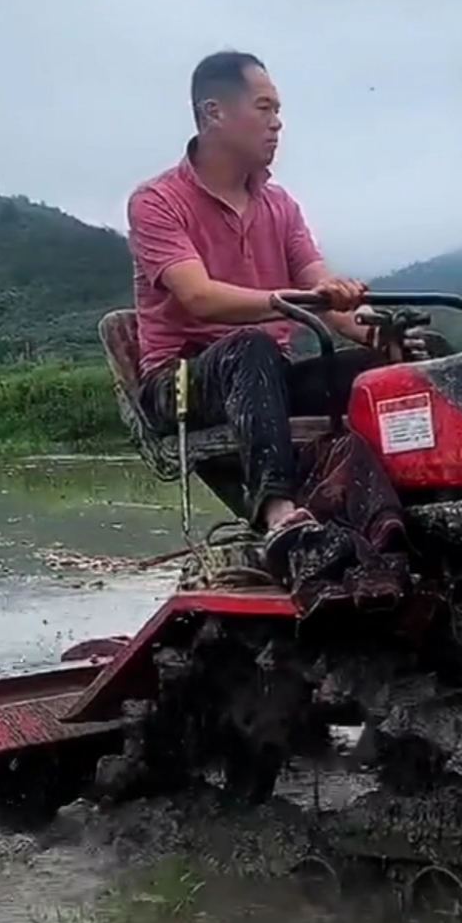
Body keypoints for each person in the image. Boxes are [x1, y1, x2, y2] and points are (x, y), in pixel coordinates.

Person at [127, 50, 384, 575]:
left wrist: (383, 334)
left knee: (387, 367)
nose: (277, 122)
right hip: (182, 382)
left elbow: (321, 290)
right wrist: (282, 301)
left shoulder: (280, 205)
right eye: (264, 107)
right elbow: (197, 296)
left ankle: (412, 513)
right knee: (252, 345)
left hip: (268, 375)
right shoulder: (156, 201)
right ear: (215, 113)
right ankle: (280, 514)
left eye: (278, 109)